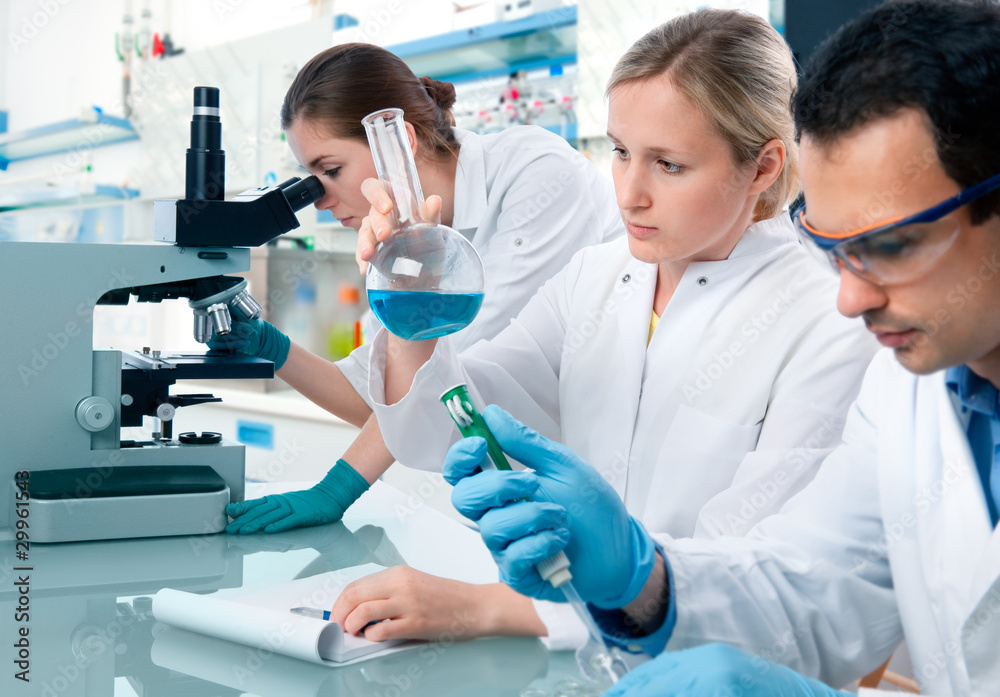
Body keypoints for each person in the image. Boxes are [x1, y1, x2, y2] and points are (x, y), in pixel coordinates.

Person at [441, 1, 1000, 694]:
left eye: (890, 245)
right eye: (833, 247)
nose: (850, 300)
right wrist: (645, 580)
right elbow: (815, 586)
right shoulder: (911, 389)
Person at [329, 10, 877, 649]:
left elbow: (759, 579)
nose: (629, 194)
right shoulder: (595, 277)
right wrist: (410, 312)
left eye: (668, 165)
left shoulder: (826, 316)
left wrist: (489, 609)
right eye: (620, 152)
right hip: (571, 663)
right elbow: (440, 432)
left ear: (762, 168)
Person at [219, 43, 624, 533]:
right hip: (521, 495)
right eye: (310, 178)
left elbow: (453, 377)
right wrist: (272, 347)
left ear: (399, 142)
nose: (321, 200)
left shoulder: (533, 171)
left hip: (611, 478)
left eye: (331, 171)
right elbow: (388, 400)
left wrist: (337, 487)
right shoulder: (401, 250)